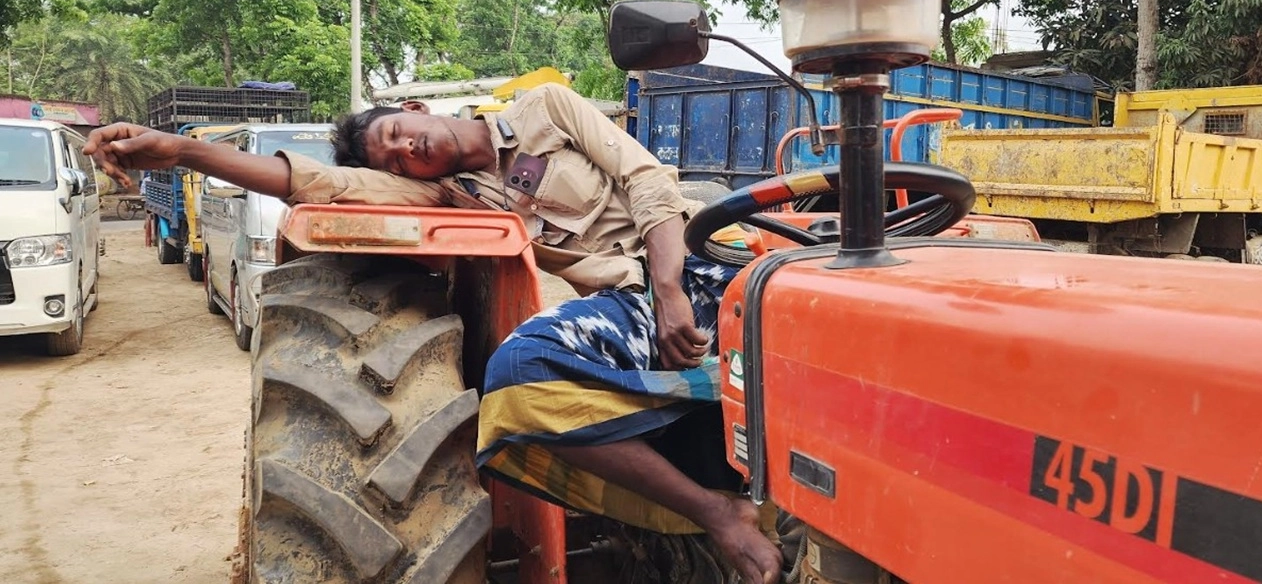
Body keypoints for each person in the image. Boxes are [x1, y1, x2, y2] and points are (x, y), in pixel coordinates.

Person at [84, 83, 783, 584]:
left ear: (413, 110)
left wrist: (669, 291)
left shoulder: (546, 108)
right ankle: (714, 514)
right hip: (628, 299)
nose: (404, 150)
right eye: (393, 161)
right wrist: (182, 152)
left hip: (704, 258)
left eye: (396, 133)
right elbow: (323, 186)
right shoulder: (449, 194)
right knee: (522, 377)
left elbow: (648, 182)